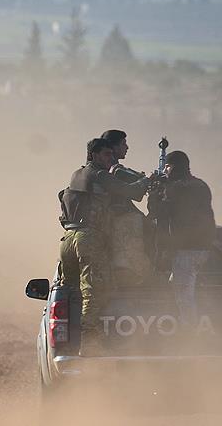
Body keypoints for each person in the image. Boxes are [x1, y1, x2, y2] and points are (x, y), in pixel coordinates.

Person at [58, 138, 150, 356]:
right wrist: (147, 181)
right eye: (107, 155)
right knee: (94, 291)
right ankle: (89, 344)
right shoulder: (99, 174)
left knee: (71, 294)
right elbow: (131, 193)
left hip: (69, 238)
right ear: (95, 155)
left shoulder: (77, 174)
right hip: (89, 238)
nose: (111, 159)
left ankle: (70, 341)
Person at [147, 150, 216, 330]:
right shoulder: (201, 185)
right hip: (203, 248)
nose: (166, 171)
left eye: (167, 167)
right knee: (179, 286)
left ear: (172, 167)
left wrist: (155, 192)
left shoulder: (175, 188)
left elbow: (159, 213)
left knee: (184, 297)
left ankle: (189, 336)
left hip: (187, 250)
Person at [100, 130, 153, 286]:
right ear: (113, 147)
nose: (127, 147)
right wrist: (148, 179)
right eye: (123, 144)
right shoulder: (113, 170)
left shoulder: (108, 169)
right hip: (120, 222)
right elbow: (133, 191)